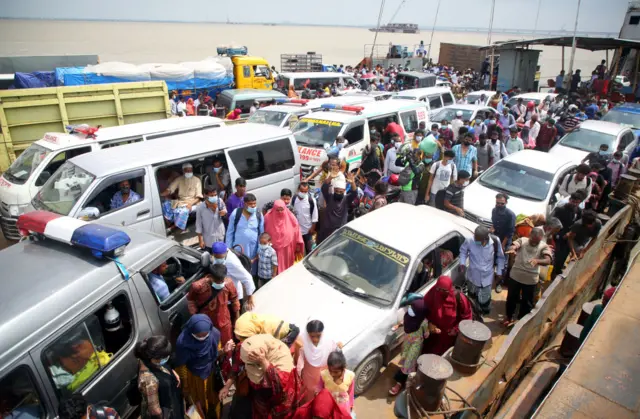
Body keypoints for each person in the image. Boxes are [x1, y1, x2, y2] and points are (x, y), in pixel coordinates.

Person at [239, 334, 303, 418]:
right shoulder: (249, 348)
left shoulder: (280, 355)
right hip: (263, 403)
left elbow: (280, 384)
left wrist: (263, 361)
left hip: (278, 406)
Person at [174, 315, 222, 417]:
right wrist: (185, 386)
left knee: (214, 397)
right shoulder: (183, 342)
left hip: (211, 372)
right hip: (194, 376)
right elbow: (181, 366)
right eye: (198, 336)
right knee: (199, 402)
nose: (202, 338)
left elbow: (216, 352)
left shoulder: (215, 334)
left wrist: (223, 351)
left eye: (205, 335)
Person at [503, 228, 553, 326]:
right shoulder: (523, 240)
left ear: (541, 238)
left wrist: (537, 261)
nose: (534, 243)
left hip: (530, 280)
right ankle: (509, 317)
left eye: (536, 241)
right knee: (511, 298)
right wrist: (512, 249)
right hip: (515, 276)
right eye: (532, 240)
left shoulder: (544, 246)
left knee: (527, 302)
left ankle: (521, 321)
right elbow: (513, 246)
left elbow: (548, 260)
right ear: (530, 236)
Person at [187, 264, 239, 344]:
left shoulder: (228, 283)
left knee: (228, 344)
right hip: (206, 323)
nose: (221, 283)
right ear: (210, 276)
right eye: (217, 281)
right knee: (210, 345)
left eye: (222, 280)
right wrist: (195, 317)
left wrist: (236, 319)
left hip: (224, 322)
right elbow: (191, 300)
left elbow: (235, 300)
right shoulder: (198, 286)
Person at [459, 226, 505, 314]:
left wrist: (499, 272)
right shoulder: (470, 240)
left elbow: (500, 257)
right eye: (475, 237)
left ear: (485, 239)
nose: (475, 240)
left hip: (487, 278)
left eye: (478, 239)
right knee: (472, 298)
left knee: (485, 300)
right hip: (472, 277)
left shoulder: (495, 241)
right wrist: (462, 263)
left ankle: (484, 312)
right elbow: (463, 251)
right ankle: (473, 314)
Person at [135, 336, 184, 419]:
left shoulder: (148, 357)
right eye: (165, 357)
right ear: (157, 358)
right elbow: (155, 410)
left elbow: (164, 366)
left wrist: (172, 372)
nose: (168, 358)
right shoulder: (149, 380)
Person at [422, 276, 472, 355]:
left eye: (444, 290)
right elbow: (423, 309)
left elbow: (467, 317)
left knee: (444, 355)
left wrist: (456, 330)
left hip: (448, 336)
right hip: (433, 333)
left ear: (449, 289)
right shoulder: (432, 293)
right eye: (439, 289)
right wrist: (429, 323)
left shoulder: (459, 298)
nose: (440, 291)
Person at [388, 299, 428, 396]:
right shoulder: (409, 316)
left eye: (413, 309)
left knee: (408, 362)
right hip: (407, 343)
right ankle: (410, 375)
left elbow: (426, 334)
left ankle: (399, 383)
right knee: (406, 359)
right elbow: (404, 321)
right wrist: (398, 325)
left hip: (415, 345)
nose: (410, 309)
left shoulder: (423, 322)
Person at [298, 320, 339, 403]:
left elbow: (336, 359)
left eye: (318, 336)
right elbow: (299, 363)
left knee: (322, 397)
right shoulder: (303, 344)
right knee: (309, 398)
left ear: (322, 333)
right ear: (307, 334)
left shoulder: (330, 343)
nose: (315, 339)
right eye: (312, 336)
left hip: (325, 377)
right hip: (309, 380)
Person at [226, 193, 264, 275]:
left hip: (253, 251)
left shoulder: (258, 214)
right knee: (240, 272)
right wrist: (229, 250)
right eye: (251, 204)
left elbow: (261, 234)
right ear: (244, 204)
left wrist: (259, 249)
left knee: (252, 273)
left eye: (254, 203)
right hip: (238, 251)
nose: (253, 206)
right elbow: (229, 232)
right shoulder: (236, 213)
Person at [210, 242, 255, 310]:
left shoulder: (232, 263)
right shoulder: (222, 253)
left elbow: (247, 278)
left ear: (226, 253)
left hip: (233, 297)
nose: (218, 260)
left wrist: (250, 296)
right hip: (223, 294)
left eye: (220, 258)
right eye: (216, 257)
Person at [264, 199, 304, 274]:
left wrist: (298, 244)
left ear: (285, 208)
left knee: (287, 269)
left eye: (281, 210)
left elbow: (297, 230)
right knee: (275, 268)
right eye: (277, 210)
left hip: (287, 248)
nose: (280, 212)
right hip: (273, 249)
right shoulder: (267, 217)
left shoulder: (291, 217)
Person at [550, 192, 584, 277]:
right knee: (558, 254)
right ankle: (554, 272)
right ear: (570, 200)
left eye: (577, 202)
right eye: (573, 201)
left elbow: (579, 224)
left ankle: (557, 270)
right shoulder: (560, 209)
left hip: (570, 237)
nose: (575, 204)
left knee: (564, 254)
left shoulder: (579, 211)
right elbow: (553, 221)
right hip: (559, 235)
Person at [160, 163, 202, 231]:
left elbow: (199, 197)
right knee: (164, 204)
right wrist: (161, 195)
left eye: (190, 171)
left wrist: (190, 204)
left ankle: (172, 228)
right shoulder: (179, 179)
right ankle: (169, 223)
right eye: (187, 171)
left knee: (183, 211)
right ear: (183, 171)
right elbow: (170, 189)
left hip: (194, 202)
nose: (189, 172)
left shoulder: (197, 180)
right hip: (180, 201)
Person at [317, 174, 357, 244]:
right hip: (326, 231)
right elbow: (324, 188)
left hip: (339, 232)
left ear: (344, 191)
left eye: (341, 192)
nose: (338, 193)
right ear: (334, 190)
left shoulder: (346, 200)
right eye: (337, 191)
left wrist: (352, 182)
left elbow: (354, 193)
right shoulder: (329, 197)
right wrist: (330, 177)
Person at [317, 351, 355, 418]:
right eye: (330, 371)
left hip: (343, 406)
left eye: (336, 372)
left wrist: (351, 405)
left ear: (343, 369)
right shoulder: (323, 375)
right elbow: (319, 389)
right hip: (328, 405)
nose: (332, 374)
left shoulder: (350, 376)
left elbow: (351, 392)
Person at [196, 186, 227, 252]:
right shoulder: (200, 208)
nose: (214, 197)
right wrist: (200, 241)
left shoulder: (220, 201)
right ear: (205, 195)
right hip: (209, 240)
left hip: (220, 236)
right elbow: (198, 225)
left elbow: (225, 210)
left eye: (215, 195)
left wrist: (223, 212)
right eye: (211, 195)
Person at [291, 182, 318, 254]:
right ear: (298, 190)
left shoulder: (311, 200)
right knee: (299, 251)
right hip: (297, 230)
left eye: (305, 191)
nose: (303, 193)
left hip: (308, 230)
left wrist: (312, 228)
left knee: (310, 250)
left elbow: (315, 216)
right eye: (302, 191)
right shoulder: (294, 199)